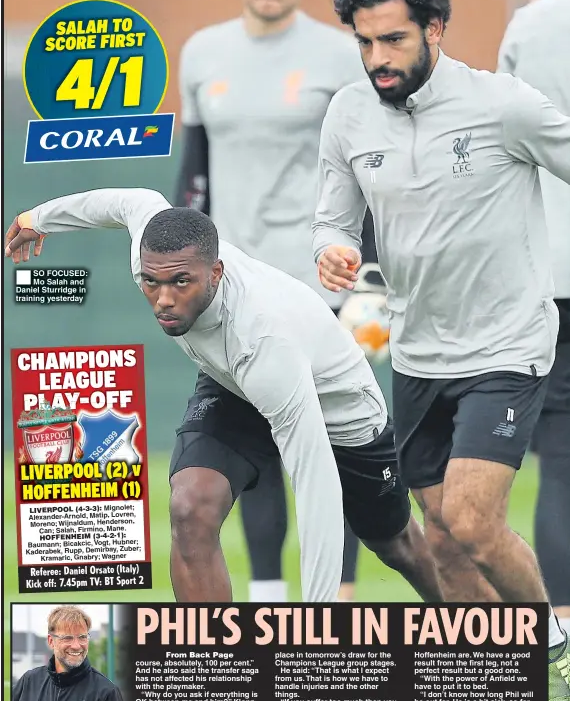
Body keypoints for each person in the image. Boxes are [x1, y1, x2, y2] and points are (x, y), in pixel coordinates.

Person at [311, 0, 570, 701]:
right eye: (364, 43)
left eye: (392, 41)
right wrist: (333, 248)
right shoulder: (349, 115)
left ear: (436, 29)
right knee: (444, 547)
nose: (378, 60)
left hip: (508, 344)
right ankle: (506, 689)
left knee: (471, 518)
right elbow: (332, 214)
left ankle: (551, 648)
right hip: (418, 352)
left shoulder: (505, 106)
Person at [5, 189, 442, 609]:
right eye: (150, 282)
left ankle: (470, 619)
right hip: (232, 384)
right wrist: (34, 220)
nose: (164, 300)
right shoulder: (153, 247)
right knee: (191, 506)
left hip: (340, 416)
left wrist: (317, 624)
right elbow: (124, 200)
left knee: (398, 545)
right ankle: (214, 670)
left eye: (181, 282)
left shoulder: (264, 339)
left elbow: (316, 486)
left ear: (215, 273)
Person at [174, 0, 374, 602]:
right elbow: (192, 180)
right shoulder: (201, 54)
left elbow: (367, 173)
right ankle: (267, 606)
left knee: (327, 447)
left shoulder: (341, 55)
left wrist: (368, 278)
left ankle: (338, 604)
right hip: (234, 291)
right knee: (255, 442)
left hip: (323, 289)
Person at [497, 0, 570, 639]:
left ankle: (567, 634)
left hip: (549, 265)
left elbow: (494, 143)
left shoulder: (530, 26)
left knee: (563, 460)